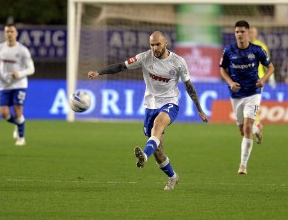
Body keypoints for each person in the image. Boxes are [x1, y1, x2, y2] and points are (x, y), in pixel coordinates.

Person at [88, 31, 208, 190]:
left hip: (170, 103)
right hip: (150, 105)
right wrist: (99, 72)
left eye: (158, 44)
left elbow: (189, 87)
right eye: (152, 45)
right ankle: (173, 177)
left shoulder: (178, 62)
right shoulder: (144, 58)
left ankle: (144, 155)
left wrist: (199, 109)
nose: (155, 48)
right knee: (158, 151)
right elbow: (121, 66)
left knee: (158, 125)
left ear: (165, 42)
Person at [219, 20, 274, 175]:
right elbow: (222, 69)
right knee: (243, 131)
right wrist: (230, 82)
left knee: (247, 127)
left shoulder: (257, 50)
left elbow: (270, 67)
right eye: (237, 32)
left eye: (242, 31)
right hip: (236, 94)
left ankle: (243, 166)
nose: (239, 34)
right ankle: (258, 128)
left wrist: (263, 80)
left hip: (253, 93)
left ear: (248, 32)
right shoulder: (229, 50)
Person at [0, 23, 35, 146]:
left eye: (12, 31)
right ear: (4, 33)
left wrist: (20, 74)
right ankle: (18, 123)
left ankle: (21, 138)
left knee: (17, 112)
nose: (9, 34)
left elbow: (31, 69)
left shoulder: (22, 50)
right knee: (4, 114)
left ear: (16, 33)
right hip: (4, 85)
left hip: (19, 84)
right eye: (7, 31)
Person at [249, 27, 276, 144]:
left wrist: (271, 78)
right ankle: (257, 125)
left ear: (256, 34)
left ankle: (256, 125)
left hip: (257, 79)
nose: (251, 34)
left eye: (253, 32)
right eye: (249, 31)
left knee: (252, 103)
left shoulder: (260, 46)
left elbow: (267, 62)